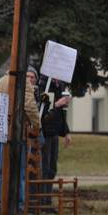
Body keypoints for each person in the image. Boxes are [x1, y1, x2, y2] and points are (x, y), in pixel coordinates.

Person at [0, 65, 41, 213]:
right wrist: (37, 124)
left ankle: (0, 203)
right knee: (20, 171)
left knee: (3, 171)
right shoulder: (22, 82)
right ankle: (19, 205)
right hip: (19, 131)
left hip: (3, 130)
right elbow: (30, 106)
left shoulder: (1, 81)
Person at [38, 79, 72, 207]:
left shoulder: (60, 86)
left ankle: (48, 199)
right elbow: (42, 111)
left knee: (52, 168)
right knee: (45, 167)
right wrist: (57, 104)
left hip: (55, 133)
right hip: (45, 133)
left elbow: (62, 114)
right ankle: (43, 200)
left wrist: (66, 132)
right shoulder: (44, 85)